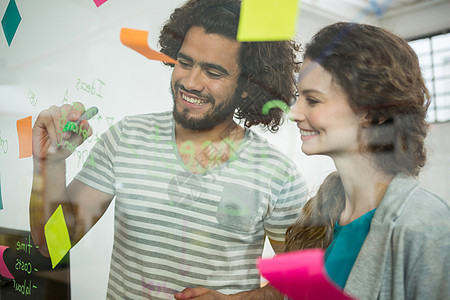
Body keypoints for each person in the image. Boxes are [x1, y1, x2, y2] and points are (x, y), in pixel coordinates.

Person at [29, 0, 307, 299]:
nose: (190, 82)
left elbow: (300, 281)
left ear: (248, 86)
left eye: (213, 73)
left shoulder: (277, 173)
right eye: (185, 63)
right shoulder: (127, 138)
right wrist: (51, 163)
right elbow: (51, 243)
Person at [285, 22, 450, 299]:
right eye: (297, 97)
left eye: (312, 101)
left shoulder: (427, 226)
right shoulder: (317, 215)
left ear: (373, 112)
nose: (294, 113)